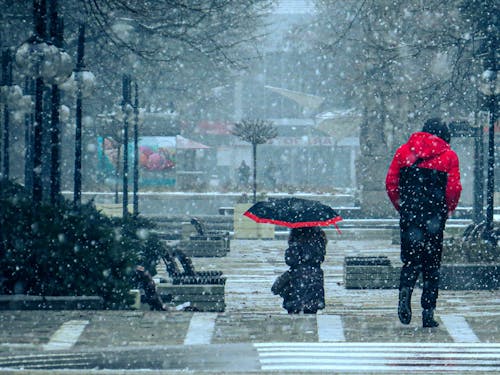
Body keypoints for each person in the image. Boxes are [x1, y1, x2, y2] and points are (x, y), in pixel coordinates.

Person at [385, 118, 462, 328]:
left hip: (410, 216)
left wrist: (402, 206)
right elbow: (453, 189)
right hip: (434, 218)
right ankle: (428, 313)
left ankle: (405, 293)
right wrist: (446, 209)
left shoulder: (404, 152)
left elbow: (391, 183)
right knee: (432, 265)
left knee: (410, 261)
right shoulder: (448, 156)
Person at [273, 227, 327, 314]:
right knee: (311, 312)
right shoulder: (319, 238)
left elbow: (290, 260)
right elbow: (320, 258)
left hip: (298, 277)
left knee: (295, 314)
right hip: (315, 277)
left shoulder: (296, 239)